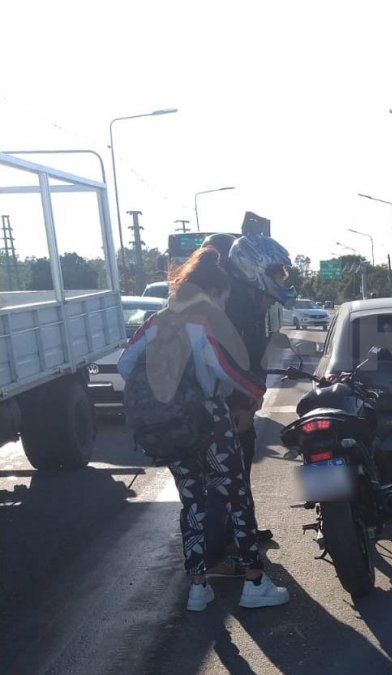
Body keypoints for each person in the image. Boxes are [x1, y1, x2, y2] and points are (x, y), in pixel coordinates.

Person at [119, 247, 290, 611]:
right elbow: (226, 370)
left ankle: (198, 586)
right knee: (237, 500)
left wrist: (167, 394)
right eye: (224, 296)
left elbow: (125, 363)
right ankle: (254, 583)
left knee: (193, 503)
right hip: (210, 424)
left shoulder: (156, 320)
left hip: (169, 429)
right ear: (213, 293)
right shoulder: (203, 323)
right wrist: (256, 391)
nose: (225, 303)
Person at [201, 231, 295, 575]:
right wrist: (241, 403)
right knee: (222, 480)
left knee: (239, 472)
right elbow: (227, 363)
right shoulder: (231, 304)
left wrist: (252, 399)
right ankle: (215, 556)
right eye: (276, 273)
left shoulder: (250, 302)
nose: (280, 281)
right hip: (217, 409)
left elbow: (252, 359)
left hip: (236, 405)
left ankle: (241, 534)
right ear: (253, 268)